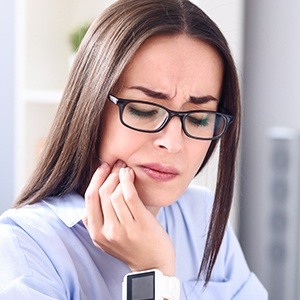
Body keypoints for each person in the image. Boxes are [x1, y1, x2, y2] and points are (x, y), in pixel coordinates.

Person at [0, 0, 268, 299]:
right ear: (90, 108)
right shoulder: (25, 246)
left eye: (198, 118)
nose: (173, 142)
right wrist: (154, 274)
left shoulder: (201, 215)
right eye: (143, 110)